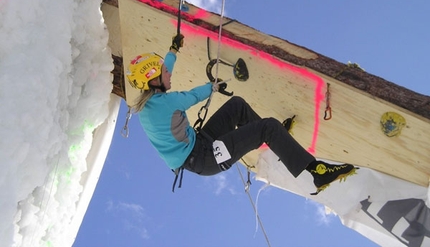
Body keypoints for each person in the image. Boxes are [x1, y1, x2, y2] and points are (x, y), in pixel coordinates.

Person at [126, 34, 357, 195]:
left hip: (201, 144)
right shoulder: (167, 102)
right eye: (164, 72)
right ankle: (316, 171)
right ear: (154, 80)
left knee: (237, 105)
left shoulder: (149, 102)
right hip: (207, 159)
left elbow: (164, 69)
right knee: (268, 126)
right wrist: (212, 86)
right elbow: (192, 96)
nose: (169, 74)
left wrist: (173, 50)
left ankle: (277, 139)